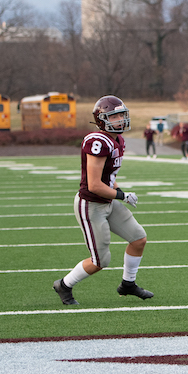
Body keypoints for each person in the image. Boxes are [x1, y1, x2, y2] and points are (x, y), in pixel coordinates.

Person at [54, 96, 151, 306]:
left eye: (121, 115)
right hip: (91, 205)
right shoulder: (97, 142)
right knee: (100, 261)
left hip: (107, 201)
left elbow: (109, 179)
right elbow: (94, 185)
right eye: (114, 116)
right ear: (101, 120)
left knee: (138, 239)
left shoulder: (118, 140)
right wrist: (122, 196)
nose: (120, 120)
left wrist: (120, 190)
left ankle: (128, 284)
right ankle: (64, 284)